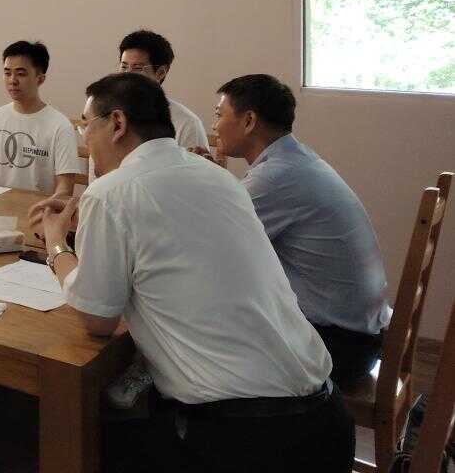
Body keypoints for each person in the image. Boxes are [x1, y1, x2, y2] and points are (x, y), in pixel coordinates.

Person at [33, 73, 353, 473]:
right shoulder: (219, 177)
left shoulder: (110, 192)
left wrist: (56, 244)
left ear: (117, 123)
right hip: (327, 417)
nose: (85, 138)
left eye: (86, 125)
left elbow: (97, 318)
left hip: (242, 438)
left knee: (86, 433)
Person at [213, 74, 391, 386]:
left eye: (219, 115)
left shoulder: (276, 176)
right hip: (360, 334)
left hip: (337, 347)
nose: (214, 126)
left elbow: (211, 245)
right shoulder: (295, 160)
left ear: (249, 121)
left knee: (203, 316)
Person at [0, 40, 83, 195]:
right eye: (7, 73)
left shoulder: (60, 126)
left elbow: (65, 186)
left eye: (21, 74)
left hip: (40, 208)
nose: (12, 80)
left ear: (40, 79)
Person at [117, 28, 210, 151]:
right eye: (124, 67)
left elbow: (193, 163)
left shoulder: (186, 124)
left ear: (160, 72)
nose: (127, 75)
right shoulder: (105, 112)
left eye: (138, 68)